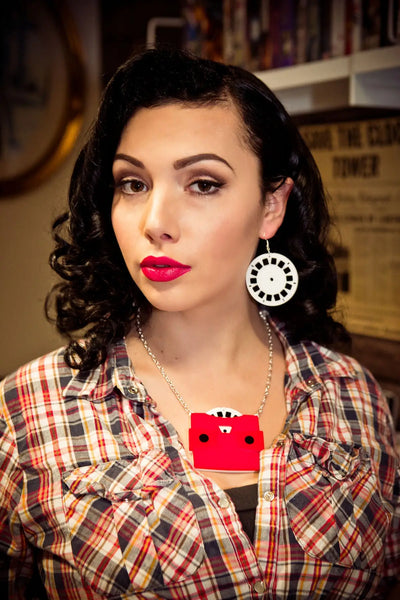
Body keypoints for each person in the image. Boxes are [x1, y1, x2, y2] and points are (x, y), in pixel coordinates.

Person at [0, 47, 399, 600]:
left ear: (271, 206)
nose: (156, 223)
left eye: (203, 183)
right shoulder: (27, 413)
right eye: (132, 184)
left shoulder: (352, 395)